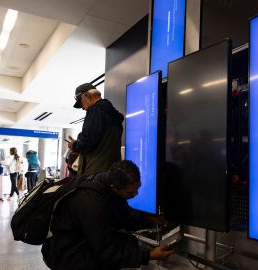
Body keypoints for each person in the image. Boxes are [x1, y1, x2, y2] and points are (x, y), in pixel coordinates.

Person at [41, 160, 173, 270]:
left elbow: (124, 215)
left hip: (78, 244)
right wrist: (149, 255)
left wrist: (149, 220)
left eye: (137, 189)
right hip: (66, 255)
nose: (135, 195)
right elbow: (106, 250)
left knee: (129, 243)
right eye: (130, 193)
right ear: (115, 188)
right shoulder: (91, 204)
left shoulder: (106, 184)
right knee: (113, 259)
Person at [68, 83, 124, 177]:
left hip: (95, 172)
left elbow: (88, 141)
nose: (82, 108)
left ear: (87, 96)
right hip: (111, 170)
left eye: (81, 102)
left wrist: (74, 145)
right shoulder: (113, 115)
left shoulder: (95, 111)